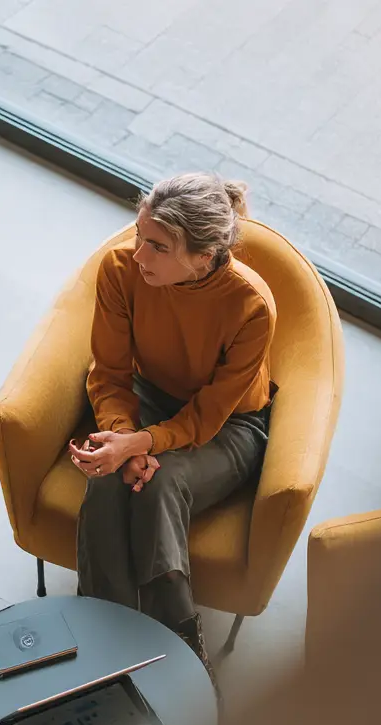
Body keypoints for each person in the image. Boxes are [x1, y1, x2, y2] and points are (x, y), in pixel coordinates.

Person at [69, 172, 276, 687]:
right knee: (108, 477)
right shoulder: (120, 269)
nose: (139, 254)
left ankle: (180, 649)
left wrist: (142, 443)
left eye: (157, 247)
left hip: (230, 424)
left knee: (160, 484)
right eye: (140, 236)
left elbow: (209, 415)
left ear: (204, 257)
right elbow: (111, 375)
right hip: (147, 398)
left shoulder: (251, 305)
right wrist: (123, 439)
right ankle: (110, 639)